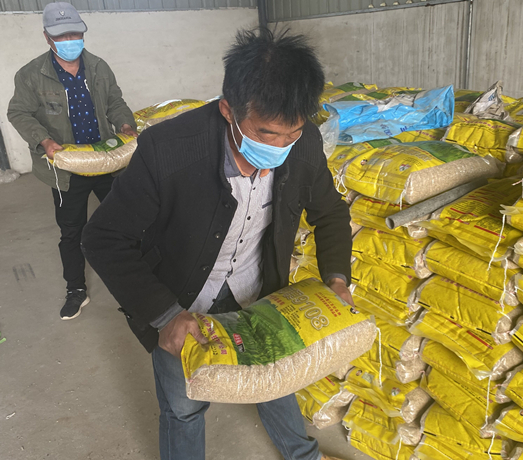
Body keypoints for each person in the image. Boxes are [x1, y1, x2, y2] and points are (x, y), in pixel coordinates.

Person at [81, 28, 352, 460]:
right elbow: (103, 238)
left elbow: (331, 212)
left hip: (257, 288)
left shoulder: (305, 145)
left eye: (292, 134)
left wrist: (336, 279)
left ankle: (303, 454)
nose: (280, 147)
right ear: (228, 110)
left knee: (276, 377)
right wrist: (165, 315)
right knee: (184, 407)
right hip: (180, 296)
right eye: (267, 134)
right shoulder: (168, 150)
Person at [7, 2, 137, 320]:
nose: (69, 40)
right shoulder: (31, 75)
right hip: (66, 167)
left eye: (74, 33)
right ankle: (76, 289)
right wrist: (43, 139)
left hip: (105, 160)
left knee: (127, 221)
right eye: (61, 35)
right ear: (47, 37)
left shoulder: (99, 67)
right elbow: (18, 112)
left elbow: (115, 101)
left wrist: (124, 124)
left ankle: (137, 283)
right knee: (71, 231)